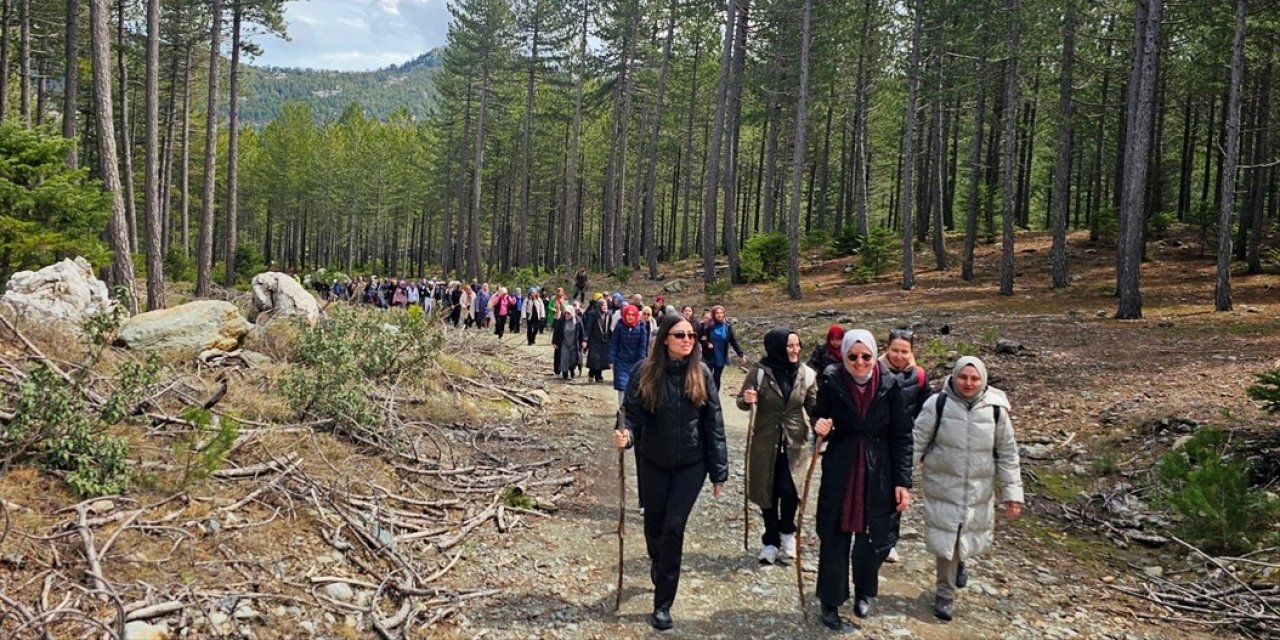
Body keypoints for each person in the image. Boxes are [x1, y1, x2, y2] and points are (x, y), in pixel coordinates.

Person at [612, 314, 728, 631]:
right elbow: (630, 415)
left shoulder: (701, 373)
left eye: (691, 335)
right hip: (653, 460)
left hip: (692, 464)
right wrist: (626, 435)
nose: (687, 340)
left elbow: (713, 424)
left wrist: (719, 472)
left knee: (675, 526)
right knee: (655, 525)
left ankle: (663, 603)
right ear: (665, 338)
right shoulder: (645, 372)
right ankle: (656, 556)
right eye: (680, 335)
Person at [811, 329, 912, 630]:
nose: (859, 362)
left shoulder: (891, 385)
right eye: (852, 357)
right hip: (842, 466)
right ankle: (830, 600)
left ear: (874, 356)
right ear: (843, 356)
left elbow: (902, 436)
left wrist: (902, 481)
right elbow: (817, 415)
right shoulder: (832, 380)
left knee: (871, 538)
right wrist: (819, 425)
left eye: (866, 356)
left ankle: (864, 592)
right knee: (835, 535)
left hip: (877, 468)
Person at [913, 356, 1023, 622]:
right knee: (947, 539)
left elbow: (1008, 453)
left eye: (974, 378)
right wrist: (900, 481)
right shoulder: (936, 404)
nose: (968, 383)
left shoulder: (996, 411)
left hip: (978, 490)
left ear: (983, 379)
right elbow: (916, 442)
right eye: (963, 377)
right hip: (943, 487)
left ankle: (961, 561)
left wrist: (1013, 494)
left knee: (963, 536)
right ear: (954, 377)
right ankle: (944, 593)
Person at [737, 327, 818, 564]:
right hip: (765, 440)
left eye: (797, 345)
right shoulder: (760, 372)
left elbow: (813, 406)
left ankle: (787, 534)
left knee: (790, 489)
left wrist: (823, 422)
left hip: (795, 441)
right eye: (789, 346)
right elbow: (741, 400)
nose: (795, 350)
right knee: (767, 490)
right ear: (777, 347)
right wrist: (747, 399)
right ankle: (771, 541)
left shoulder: (806, 374)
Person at [879, 327, 929, 564]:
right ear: (886, 349)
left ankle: (889, 542)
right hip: (876, 439)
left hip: (903, 441)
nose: (898, 356)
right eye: (894, 350)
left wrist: (922, 441)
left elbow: (927, 409)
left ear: (911, 352)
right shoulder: (873, 370)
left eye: (904, 351)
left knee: (897, 490)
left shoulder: (918, 376)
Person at [609, 305, 650, 406]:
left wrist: (641, 362)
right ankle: (622, 408)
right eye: (628, 315)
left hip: (635, 362)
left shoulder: (641, 328)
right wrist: (611, 360)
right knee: (622, 386)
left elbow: (642, 346)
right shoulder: (619, 327)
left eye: (632, 315)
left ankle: (631, 410)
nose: (630, 317)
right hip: (621, 361)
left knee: (634, 386)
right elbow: (614, 344)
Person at [699, 305, 744, 391]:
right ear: (713, 314)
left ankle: (715, 396)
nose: (719, 315)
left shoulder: (727, 326)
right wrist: (707, 343)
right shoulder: (708, 326)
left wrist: (740, 353)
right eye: (717, 313)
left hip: (721, 356)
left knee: (717, 377)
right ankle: (704, 395)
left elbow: (733, 341)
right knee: (707, 376)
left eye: (721, 313)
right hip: (709, 355)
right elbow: (702, 338)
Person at [551, 307, 584, 380]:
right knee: (564, 358)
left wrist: (583, 341)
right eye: (565, 313)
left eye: (568, 313)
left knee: (574, 360)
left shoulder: (578, 321)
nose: (567, 315)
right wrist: (554, 342)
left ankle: (572, 370)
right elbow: (556, 332)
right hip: (564, 343)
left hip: (574, 343)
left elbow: (582, 332)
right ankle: (565, 373)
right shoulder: (561, 321)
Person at [584, 298, 611, 383]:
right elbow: (588, 327)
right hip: (595, 339)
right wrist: (585, 339)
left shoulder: (609, 315)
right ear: (599, 306)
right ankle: (591, 373)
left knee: (602, 358)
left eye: (606, 305)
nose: (605, 307)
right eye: (603, 305)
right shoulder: (593, 314)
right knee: (594, 358)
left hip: (605, 340)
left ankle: (599, 375)